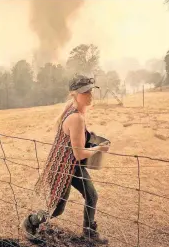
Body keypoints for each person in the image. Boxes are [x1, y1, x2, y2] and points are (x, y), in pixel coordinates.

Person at [22, 75, 109, 244]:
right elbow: (79, 154)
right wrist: (99, 148)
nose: (90, 95)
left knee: (92, 196)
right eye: (85, 92)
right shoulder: (76, 117)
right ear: (74, 94)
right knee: (56, 209)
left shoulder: (76, 110)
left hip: (73, 166)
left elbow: (76, 143)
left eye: (90, 90)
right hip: (63, 167)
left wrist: (90, 136)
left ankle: (89, 232)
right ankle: (31, 221)